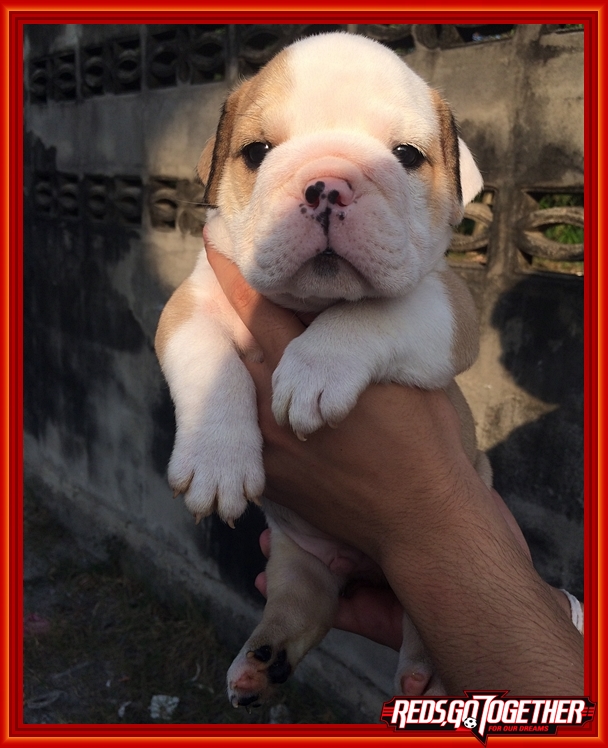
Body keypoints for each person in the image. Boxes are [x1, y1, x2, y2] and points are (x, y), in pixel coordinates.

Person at [204, 236, 584, 696]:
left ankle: (427, 648)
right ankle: (282, 630)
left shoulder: (421, 275)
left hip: (437, 512)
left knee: (426, 586)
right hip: (304, 530)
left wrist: (350, 340)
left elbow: (456, 336)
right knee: (298, 574)